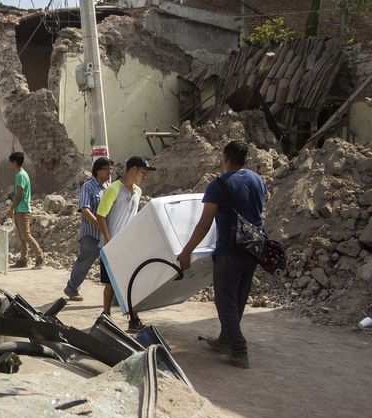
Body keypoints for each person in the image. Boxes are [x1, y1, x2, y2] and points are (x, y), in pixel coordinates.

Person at [177, 140, 266, 370]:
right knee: (238, 298)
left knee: (225, 301)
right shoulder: (258, 180)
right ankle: (225, 339)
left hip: (230, 249)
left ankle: (239, 349)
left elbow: (204, 225)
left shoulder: (218, 185)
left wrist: (186, 251)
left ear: (225, 157)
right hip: (255, 248)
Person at [96, 156, 155, 316]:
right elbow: (100, 216)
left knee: (131, 282)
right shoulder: (113, 189)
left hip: (128, 245)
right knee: (111, 284)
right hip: (112, 245)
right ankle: (106, 315)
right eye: (143, 172)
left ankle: (133, 318)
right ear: (133, 169)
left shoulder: (138, 191)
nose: (145, 176)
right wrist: (109, 241)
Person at [62, 157, 113, 301]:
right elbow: (84, 209)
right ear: (98, 171)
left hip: (107, 234)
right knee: (84, 263)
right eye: (107, 169)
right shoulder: (88, 186)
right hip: (92, 234)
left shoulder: (108, 188)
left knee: (111, 266)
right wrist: (99, 223)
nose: (110, 172)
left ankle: (115, 295)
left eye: (111, 170)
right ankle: (71, 289)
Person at [5, 152, 44, 269]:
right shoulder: (21, 174)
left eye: (11, 163)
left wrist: (11, 208)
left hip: (22, 210)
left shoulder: (20, 175)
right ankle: (23, 259)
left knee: (26, 235)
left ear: (15, 163)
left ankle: (40, 256)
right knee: (21, 236)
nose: (10, 165)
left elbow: (19, 195)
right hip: (19, 210)